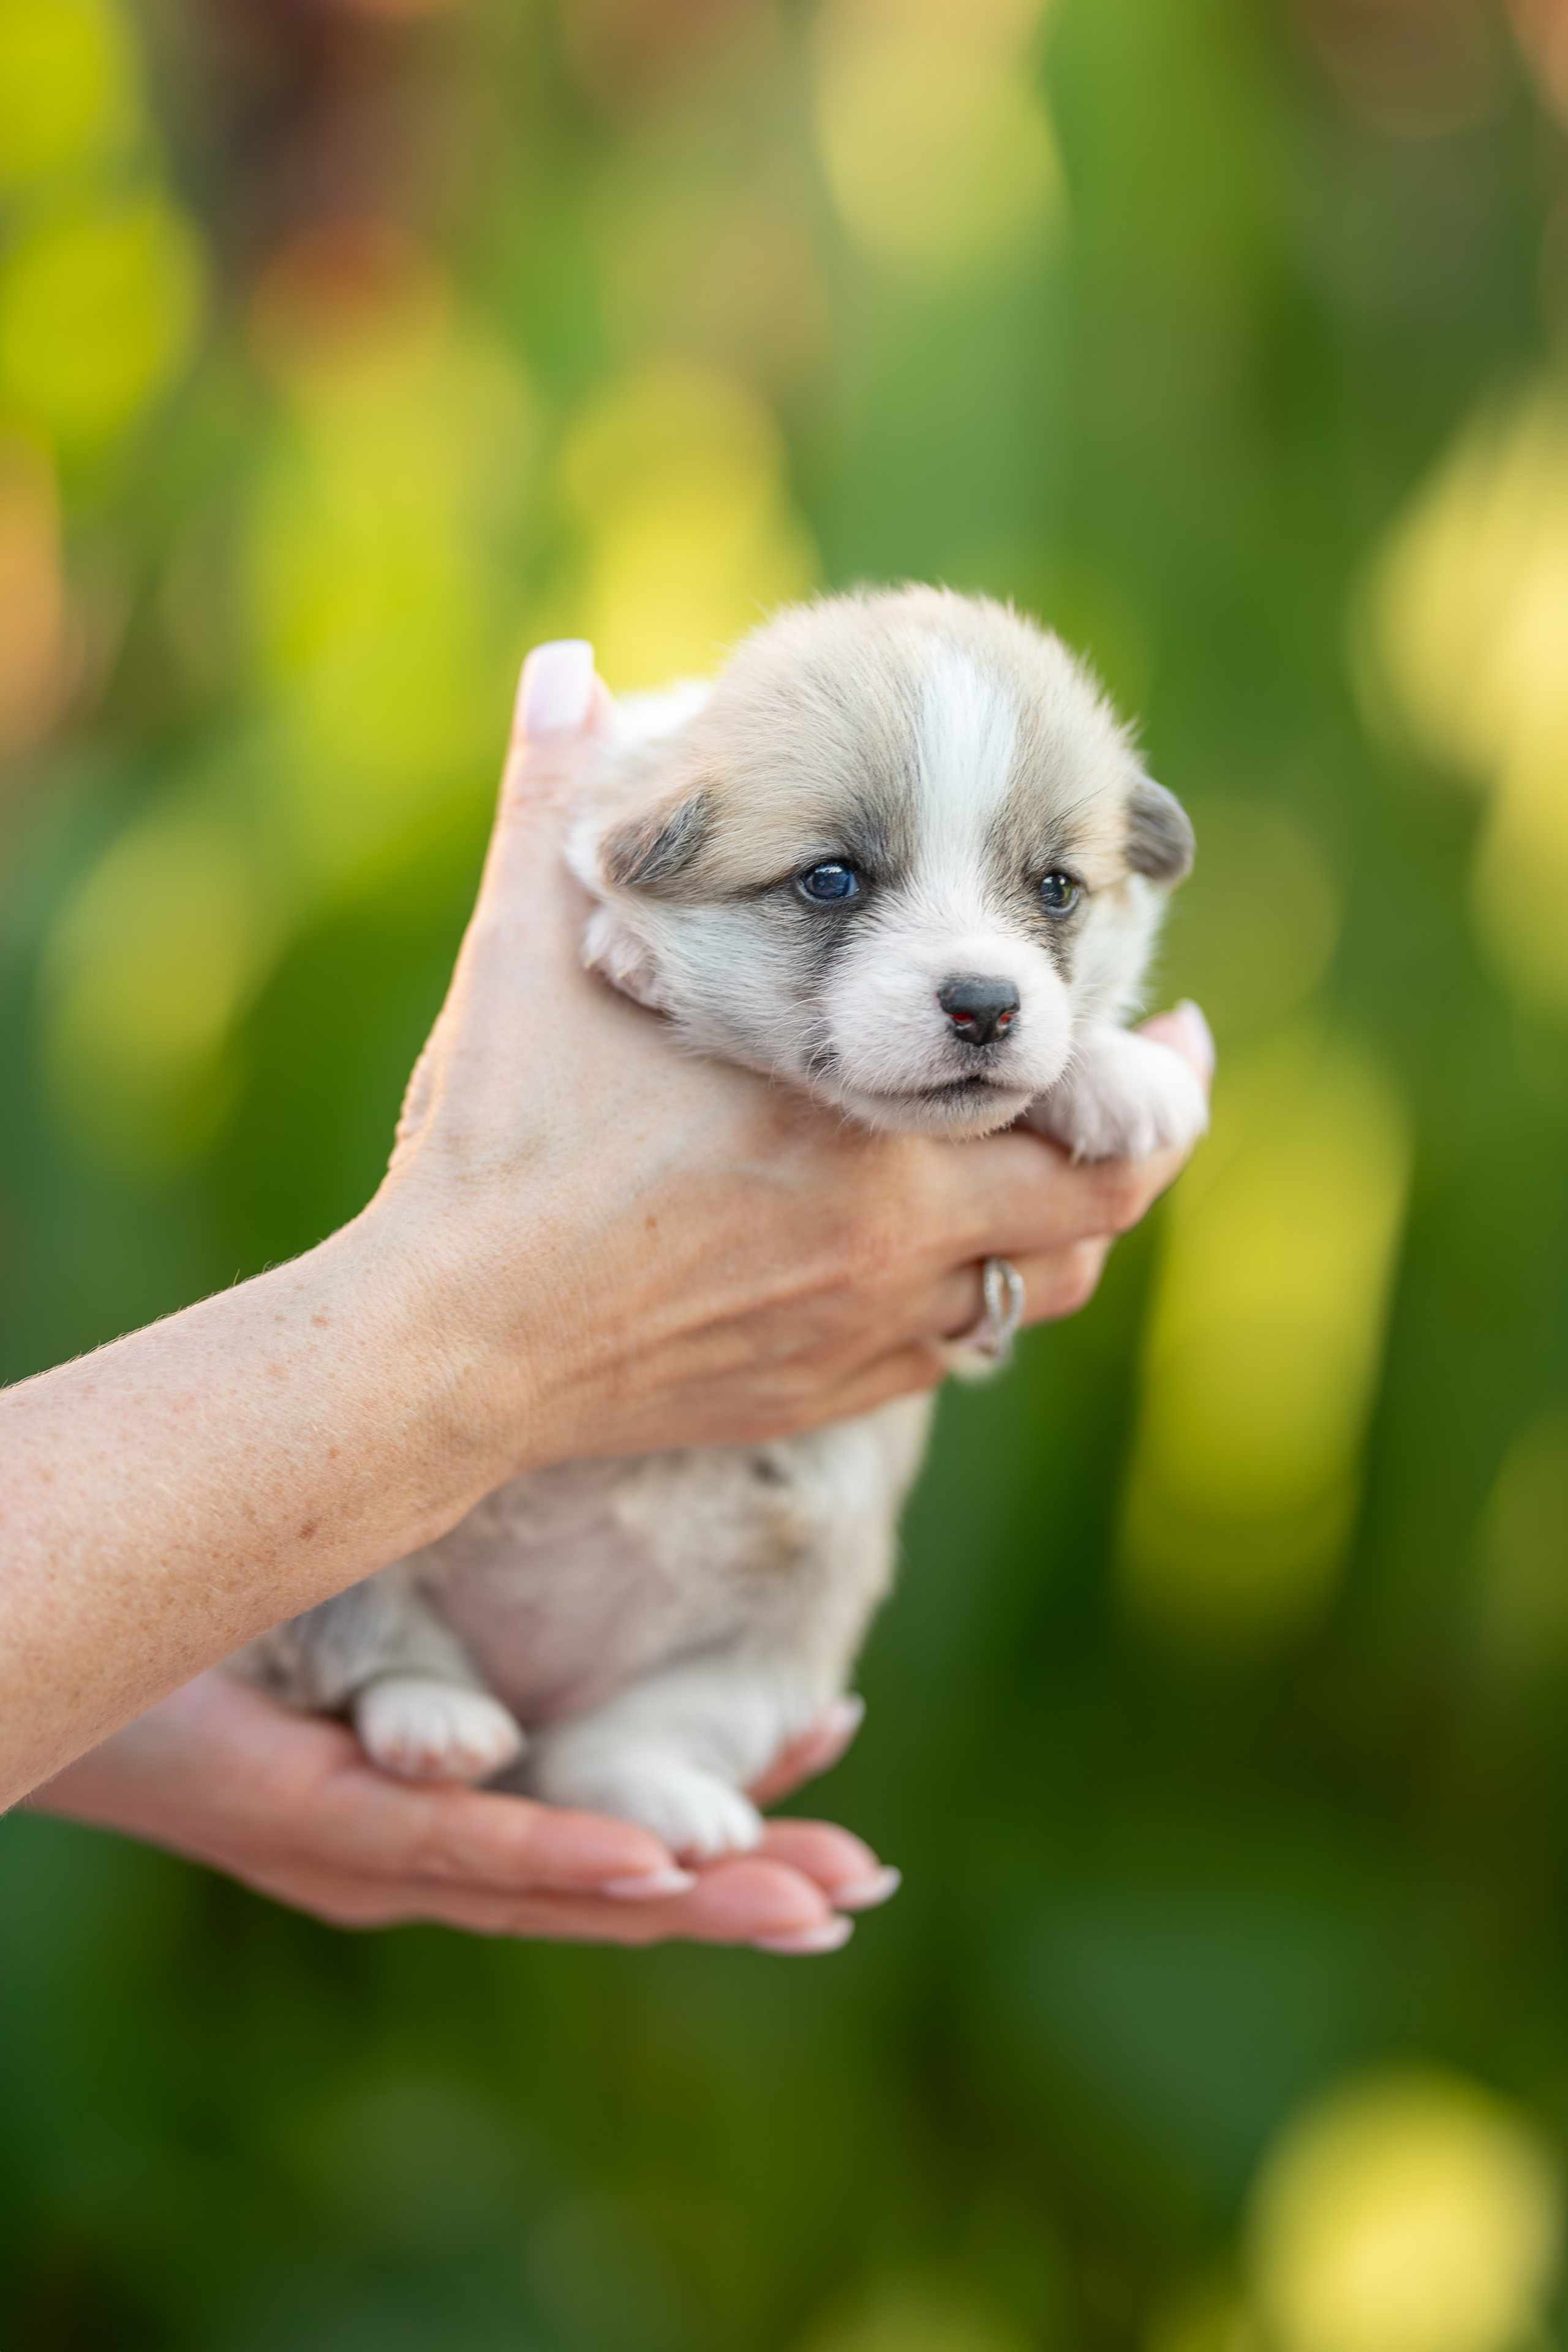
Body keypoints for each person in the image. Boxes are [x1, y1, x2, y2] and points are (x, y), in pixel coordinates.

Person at [7, 641, 1213, 1953]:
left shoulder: (1001, 1007)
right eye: (830, 883)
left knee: (781, 1660)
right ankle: (390, 1656)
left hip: (725, 1590)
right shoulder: (641, 850)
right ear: (653, 864)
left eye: (1047, 890)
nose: (983, 977)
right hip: (421, 1564)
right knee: (361, 1592)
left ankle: (645, 1739)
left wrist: (1073, 1072)